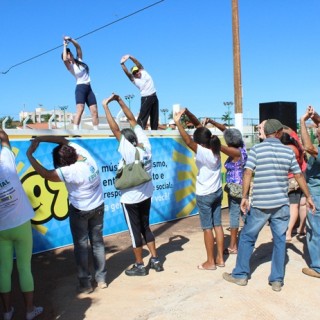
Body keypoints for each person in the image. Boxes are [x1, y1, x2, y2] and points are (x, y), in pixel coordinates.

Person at [222, 119, 315, 292]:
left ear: (267, 133)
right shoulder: (288, 152)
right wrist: (308, 196)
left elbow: (248, 172)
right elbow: (299, 175)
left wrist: (244, 197)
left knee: (248, 237)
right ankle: (277, 280)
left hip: (260, 204)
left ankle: (240, 275)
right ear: (279, 133)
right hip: (281, 203)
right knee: (280, 241)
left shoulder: (257, 149)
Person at [27, 136, 107, 293]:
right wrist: (41, 138)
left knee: (81, 247)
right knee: (98, 243)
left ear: (62, 163)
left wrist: (30, 154)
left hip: (80, 211)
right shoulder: (85, 155)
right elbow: (63, 139)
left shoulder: (70, 171)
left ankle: (85, 285)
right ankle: (102, 279)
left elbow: (45, 174)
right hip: (98, 206)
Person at [102, 93, 163, 276]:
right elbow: (132, 120)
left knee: (135, 232)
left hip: (130, 199)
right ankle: (155, 259)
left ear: (125, 142)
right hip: (146, 195)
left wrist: (106, 106)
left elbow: (115, 129)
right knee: (146, 227)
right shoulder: (146, 145)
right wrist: (120, 101)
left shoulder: (128, 151)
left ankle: (139, 265)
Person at [173, 108, 224, 270]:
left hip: (205, 195)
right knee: (218, 225)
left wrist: (177, 123)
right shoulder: (215, 149)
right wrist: (187, 112)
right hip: (217, 192)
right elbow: (198, 128)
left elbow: (188, 141)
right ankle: (220, 259)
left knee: (207, 228)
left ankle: (210, 261)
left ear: (200, 143)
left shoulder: (202, 152)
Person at [0, 129, 43, 320]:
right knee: (24, 267)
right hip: (21, 223)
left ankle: (7, 312)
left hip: (2, 228)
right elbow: (4, 138)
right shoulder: (5, 160)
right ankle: (29, 310)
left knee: (4, 269)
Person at [203, 119, 247, 255]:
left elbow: (217, 146)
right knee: (245, 214)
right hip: (243, 186)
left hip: (235, 188)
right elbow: (226, 130)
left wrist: (207, 136)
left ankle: (233, 245)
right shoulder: (242, 147)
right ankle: (246, 240)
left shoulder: (234, 152)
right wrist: (212, 122)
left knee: (235, 216)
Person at [299, 106, 320, 278]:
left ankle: (317, 267)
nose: (317, 130)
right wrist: (315, 116)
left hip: (317, 196)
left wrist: (302, 122)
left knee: (315, 230)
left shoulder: (318, 151)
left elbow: (307, 146)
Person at [62, 36, 99, 130]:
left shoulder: (80, 60)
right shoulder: (70, 66)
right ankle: (75, 131)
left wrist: (70, 39)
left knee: (94, 111)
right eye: (67, 54)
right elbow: (65, 59)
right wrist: (65, 45)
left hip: (89, 88)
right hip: (80, 88)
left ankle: (96, 131)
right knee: (80, 109)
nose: (68, 55)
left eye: (69, 53)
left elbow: (78, 47)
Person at [120, 54, 159, 130]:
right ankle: (139, 132)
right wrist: (122, 64)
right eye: (134, 73)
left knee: (155, 117)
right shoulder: (134, 80)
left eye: (137, 71)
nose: (137, 73)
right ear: (133, 75)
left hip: (154, 96)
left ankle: (155, 132)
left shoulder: (143, 71)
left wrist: (130, 57)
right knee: (143, 117)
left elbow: (137, 62)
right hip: (146, 98)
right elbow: (127, 73)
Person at [280, 132, 307, 241]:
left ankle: (288, 232)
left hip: (292, 180)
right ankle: (301, 228)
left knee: (293, 206)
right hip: (300, 177)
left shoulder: (288, 149)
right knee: (302, 204)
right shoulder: (296, 146)